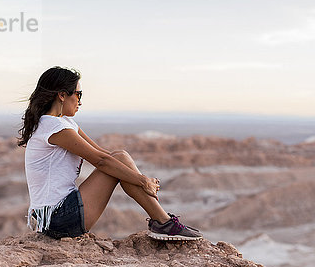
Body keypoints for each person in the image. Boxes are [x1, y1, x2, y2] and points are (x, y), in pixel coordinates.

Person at [17, 66, 202, 241]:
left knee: (119, 155)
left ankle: (163, 222)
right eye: (78, 94)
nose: (80, 101)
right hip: (57, 220)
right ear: (62, 95)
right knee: (119, 159)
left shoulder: (64, 123)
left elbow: (104, 154)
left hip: (54, 217)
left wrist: (140, 177)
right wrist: (143, 181)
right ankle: (164, 223)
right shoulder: (54, 127)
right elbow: (101, 161)